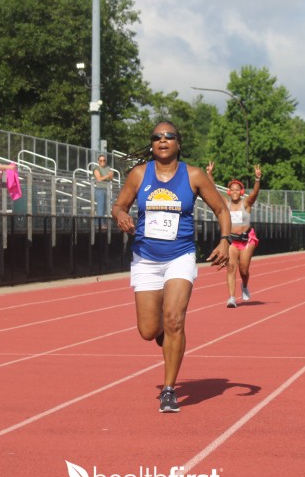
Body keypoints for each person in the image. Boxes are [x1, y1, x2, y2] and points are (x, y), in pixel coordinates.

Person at [111, 121, 233, 413]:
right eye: (157, 137)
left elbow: (221, 209)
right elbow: (119, 205)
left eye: (169, 136)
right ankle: (164, 336)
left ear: (179, 143)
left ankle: (168, 389)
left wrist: (225, 240)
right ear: (152, 143)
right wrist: (121, 215)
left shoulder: (194, 175)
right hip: (145, 258)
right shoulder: (139, 174)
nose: (162, 140)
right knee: (148, 330)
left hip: (180, 256)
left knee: (174, 319)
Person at [206, 161, 262, 307]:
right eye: (232, 190)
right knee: (231, 267)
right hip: (232, 241)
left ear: (241, 192)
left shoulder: (246, 203)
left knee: (244, 269)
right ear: (229, 192)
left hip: (247, 240)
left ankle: (244, 285)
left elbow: (255, 193)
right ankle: (231, 297)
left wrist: (257, 179)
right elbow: (214, 191)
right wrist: (209, 174)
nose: (235, 192)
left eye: (238, 190)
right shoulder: (226, 204)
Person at [92, 154, 115, 230]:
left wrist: (110, 176)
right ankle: (99, 224)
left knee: (106, 207)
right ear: (98, 161)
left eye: (104, 160)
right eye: (101, 160)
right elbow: (99, 179)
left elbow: (111, 178)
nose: (102, 162)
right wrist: (108, 176)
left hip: (107, 189)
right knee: (100, 207)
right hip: (100, 189)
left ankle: (104, 223)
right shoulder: (96, 168)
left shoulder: (108, 168)